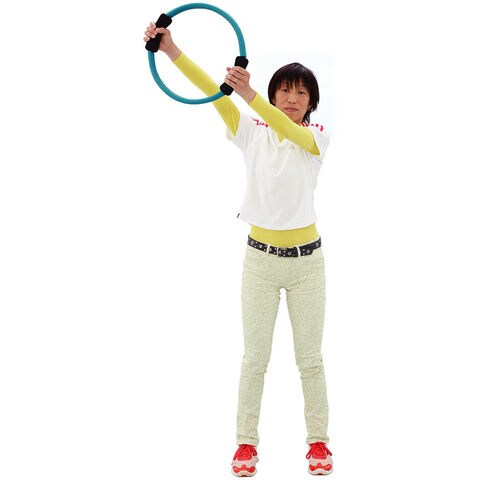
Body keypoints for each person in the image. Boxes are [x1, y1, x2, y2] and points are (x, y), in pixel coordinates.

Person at [144, 23, 333, 476]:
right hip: (260, 263)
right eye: (284, 90)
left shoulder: (316, 138)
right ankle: (246, 444)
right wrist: (170, 49)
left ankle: (319, 442)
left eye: (301, 93)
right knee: (254, 360)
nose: (291, 98)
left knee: (310, 360)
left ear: (311, 102)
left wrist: (248, 94)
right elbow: (212, 91)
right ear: (273, 93)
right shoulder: (251, 132)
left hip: (308, 265)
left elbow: (287, 127)